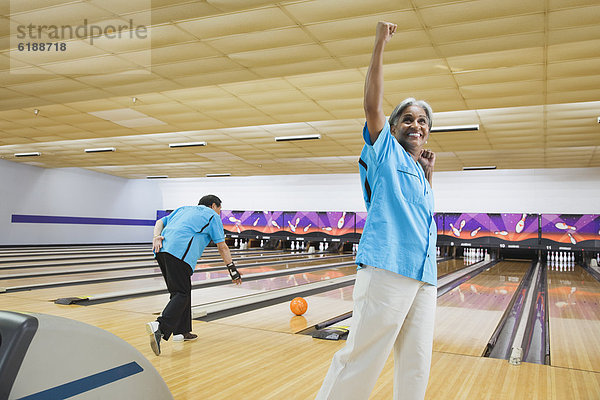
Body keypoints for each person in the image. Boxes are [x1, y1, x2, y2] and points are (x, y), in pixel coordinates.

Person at [316, 21, 437, 400]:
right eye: (407, 118)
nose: (415, 124)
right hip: (387, 267)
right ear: (393, 126)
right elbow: (372, 103)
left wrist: (428, 174)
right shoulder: (384, 152)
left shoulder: (420, 173)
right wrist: (379, 44)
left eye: (422, 121)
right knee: (362, 358)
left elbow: (420, 216)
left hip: (424, 275)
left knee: (417, 364)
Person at [146, 194, 242, 356]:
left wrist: (156, 236)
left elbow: (159, 222)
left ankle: (181, 332)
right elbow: (222, 247)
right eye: (220, 209)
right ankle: (159, 327)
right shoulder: (213, 216)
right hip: (179, 253)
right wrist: (232, 270)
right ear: (213, 206)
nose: (219, 213)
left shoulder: (183, 209)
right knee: (182, 293)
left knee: (179, 292)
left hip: (161, 250)